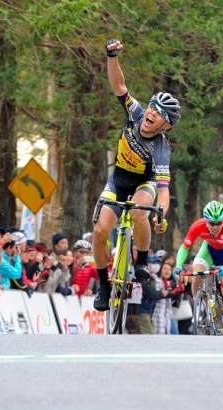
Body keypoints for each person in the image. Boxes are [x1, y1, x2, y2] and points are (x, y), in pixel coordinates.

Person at [92, 38, 181, 312]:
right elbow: (119, 85)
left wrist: (160, 214)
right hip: (118, 179)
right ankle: (105, 285)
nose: (152, 113)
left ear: (166, 125)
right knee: (99, 231)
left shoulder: (161, 150)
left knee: (141, 212)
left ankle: (141, 259)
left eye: (160, 113)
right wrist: (112, 57)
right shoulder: (135, 113)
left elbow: (163, 191)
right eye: (153, 106)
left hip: (145, 183)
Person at [174, 201, 223, 336]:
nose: (215, 227)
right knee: (197, 273)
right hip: (209, 250)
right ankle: (200, 307)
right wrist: (178, 265)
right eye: (211, 223)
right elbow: (185, 247)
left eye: (219, 223)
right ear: (205, 221)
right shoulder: (198, 225)